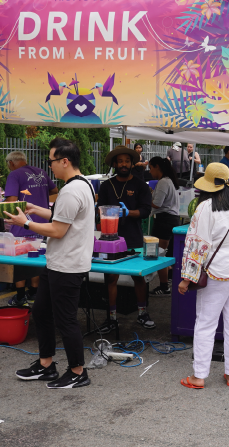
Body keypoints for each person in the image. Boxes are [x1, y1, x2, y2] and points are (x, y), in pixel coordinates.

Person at [10, 138, 96, 389]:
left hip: (67, 265)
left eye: (52, 162)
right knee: (40, 311)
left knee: (66, 320)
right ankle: (46, 364)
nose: (50, 167)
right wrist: (36, 208)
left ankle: (78, 371)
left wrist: (24, 223)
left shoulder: (71, 190)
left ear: (65, 161)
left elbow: (58, 230)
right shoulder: (82, 184)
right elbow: (63, 217)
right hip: (57, 261)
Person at [176, 163, 229, 388]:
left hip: (218, 272)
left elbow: (196, 245)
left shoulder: (205, 208)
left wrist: (187, 278)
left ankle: (199, 376)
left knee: (206, 322)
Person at [96, 147, 155, 334]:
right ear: (114, 164)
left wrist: (129, 213)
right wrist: (101, 228)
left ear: (131, 163)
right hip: (110, 239)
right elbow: (99, 210)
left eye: (127, 161)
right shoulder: (106, 186)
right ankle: (111, 318)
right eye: (120, 161)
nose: (123, 164)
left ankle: (142, 313)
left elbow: (146, 210)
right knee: (111, 278)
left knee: (138, 277)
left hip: (133, 238)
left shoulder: (140, 185)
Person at [4, 151, 58, 307]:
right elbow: (54, 191)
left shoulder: (14, 175)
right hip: (43, 223)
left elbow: (12, 200)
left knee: (19, 260)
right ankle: (34, 294)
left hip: (23, 222)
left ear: (11, 163)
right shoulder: (41, 172)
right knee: (36, 258)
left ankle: (20, 297)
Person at [148, 157, 180, 296]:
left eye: (151, 168)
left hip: (164, 220)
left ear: (157, 167)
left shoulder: (163, 182)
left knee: (160, 254)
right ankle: (165, 283)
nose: (150, 171)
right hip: (168, 220)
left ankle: (164, 286)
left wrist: (145, 198)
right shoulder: (167, 181)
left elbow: (157, 204)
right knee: (162, 253)